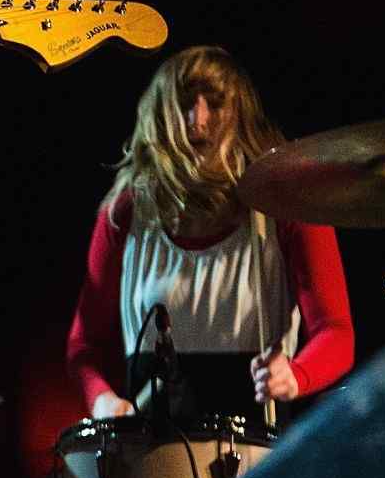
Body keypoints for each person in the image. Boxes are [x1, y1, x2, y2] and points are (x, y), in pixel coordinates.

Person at [67, 45, 354, 423]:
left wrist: (296, 375)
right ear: (160, 114)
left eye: (215, 104)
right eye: (185, 103)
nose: (198, 120)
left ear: (240, 114)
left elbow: (336, 332)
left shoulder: (287, 206)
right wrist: (102, 400)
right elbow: (84, 344)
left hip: (259, 447)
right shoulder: (125, 212)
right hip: (147, 451)